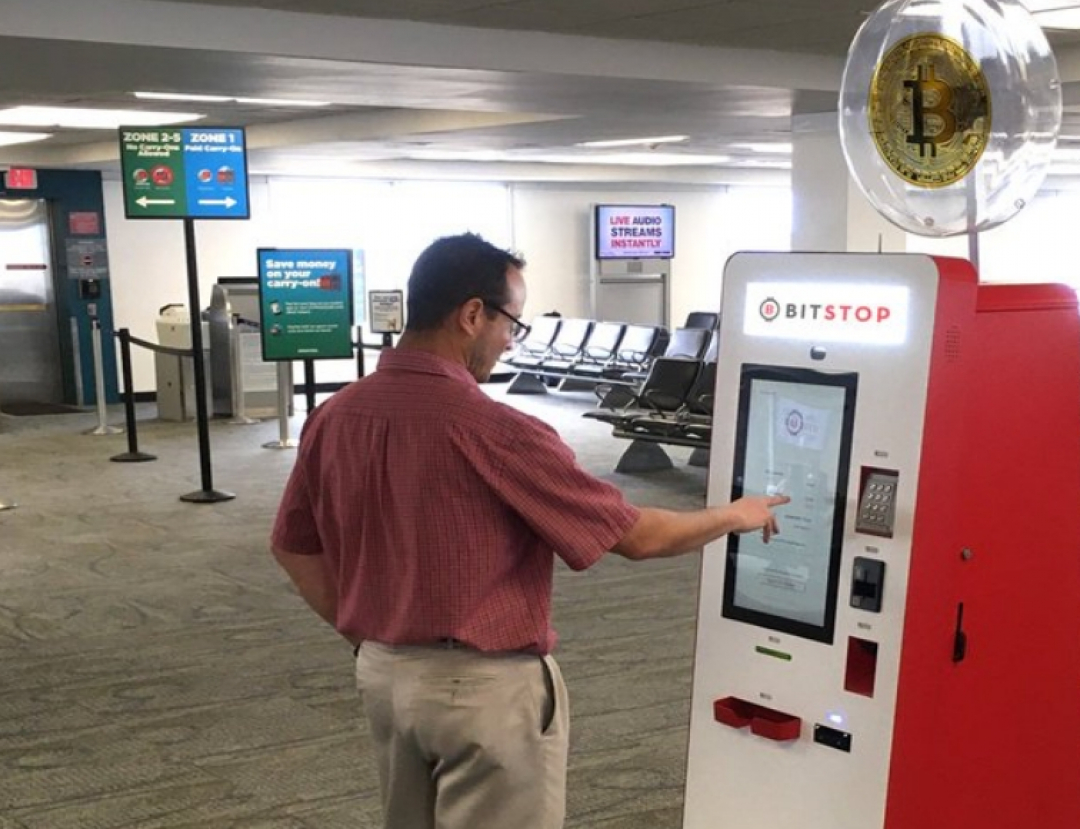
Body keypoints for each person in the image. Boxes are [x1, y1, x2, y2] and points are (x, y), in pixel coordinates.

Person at [270, 233, 787, 829]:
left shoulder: (334, 416)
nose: (512, 338)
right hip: (483, 691)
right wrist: (734, 514)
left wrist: (366, 635)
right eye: (512, 320)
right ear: (471, 315)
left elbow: (293, 546)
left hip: (384, 677)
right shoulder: (496, 429)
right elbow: (638, 537)